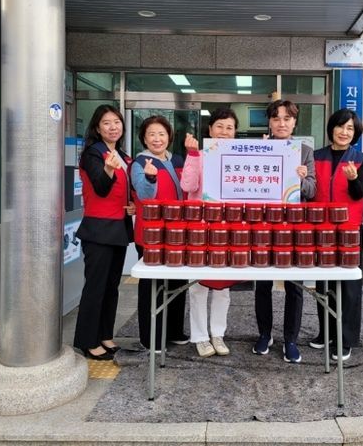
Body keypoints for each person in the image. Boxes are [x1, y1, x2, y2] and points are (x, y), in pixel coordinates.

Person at [253, 99, 317, 363]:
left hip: (293, 227)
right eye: (276, 118)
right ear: (269, 122)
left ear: (294, 122)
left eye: (287, 118)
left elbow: (312, 191)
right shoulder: (257, 148)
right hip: (263, 225)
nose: (281, 123)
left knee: (294, 285)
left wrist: (302, 180)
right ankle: (264, 334)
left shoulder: (304, 151)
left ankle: (290, 340)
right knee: (262, 283)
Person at [73, 105, 134, 360]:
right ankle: (88, 341)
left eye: (117, 122)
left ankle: (105, 335)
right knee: (95, 287)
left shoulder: (123, 156)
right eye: (107, 123)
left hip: (118, 229)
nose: (113, 127)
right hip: (98, 230)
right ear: (97, 128)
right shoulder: (93, 154)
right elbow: (100, 187)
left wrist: (132, 205)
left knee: (111, 287)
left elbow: (125, 190)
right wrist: (108, 169)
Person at [309, 108, 363, 362]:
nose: (344, 132)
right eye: (340, 126)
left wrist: (354, 179)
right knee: (323, 284)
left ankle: (345, 339)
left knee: (349, 287)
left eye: (350, 129)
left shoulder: (360, 158)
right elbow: (309, 190)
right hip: (321, 228)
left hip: (348, 230)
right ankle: (326, 333)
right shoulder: (316, 156)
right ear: (331, 128)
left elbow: (360, 193)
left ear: (355, 133)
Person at [181, 108, 239, 358]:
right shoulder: (199, 155)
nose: (224, 132)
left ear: (235, 132)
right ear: (210, 129)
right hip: (200, 230)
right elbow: (187, 185)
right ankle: (200, 337)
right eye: (219, 127)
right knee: (198, 286)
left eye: (229, 128)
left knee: (222, 287)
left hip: (228, 230)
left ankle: (218, 334)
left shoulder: (241, 158)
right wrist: (193, 156)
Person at [131, 115, 188, 351]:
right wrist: (150, 176)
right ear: (144, 138)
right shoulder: (139, 163)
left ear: (169, 137)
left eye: (161, 134)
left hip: (177, 233)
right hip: (151, 235)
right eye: (151, 134)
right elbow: (144, 195)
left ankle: (174, 331)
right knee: (152, 287)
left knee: (177, 283)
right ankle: (150, 338)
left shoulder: (178, 160)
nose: (157, 139)